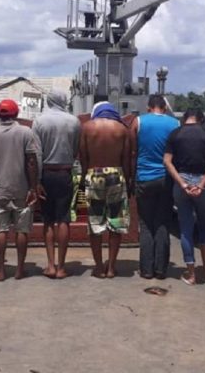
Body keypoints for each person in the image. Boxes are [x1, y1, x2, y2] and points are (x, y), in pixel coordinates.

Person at [164, 108, 205, 285]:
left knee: (186, 228)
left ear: (184, 118)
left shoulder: (175, 134)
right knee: (204, 226)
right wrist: (202, 184)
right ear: (201, 119)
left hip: (182, 181)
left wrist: (182, 183)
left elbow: (167, 161)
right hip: (203, 181)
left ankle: (191, 274)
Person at [0, 99, 40, 281]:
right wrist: (33, 187)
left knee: (0, 231)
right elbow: (31, 161)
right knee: (21, 230)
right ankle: (19, 270)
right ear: (16, 114)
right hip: (21, 188)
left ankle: (1, 271)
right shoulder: (26, 132)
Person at [79, 101, 132, 278]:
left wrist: (84, 179)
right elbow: (126, 159)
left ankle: (99, 267)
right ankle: (111, 267)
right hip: (116, 175)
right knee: (116, 222)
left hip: (94, 175)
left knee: (95, 223)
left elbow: (83, 157)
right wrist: (128, 181)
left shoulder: (87, 127)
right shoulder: (122, 129)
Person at [32, 90, 80, 279]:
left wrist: (37, 181)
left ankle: (51, 265)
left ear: (48, 101)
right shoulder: (74, 121)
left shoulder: (39, 121)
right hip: (65, 172)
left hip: (46, 173)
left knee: (48, 220)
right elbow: (75, 149)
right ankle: (61, 267)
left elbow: (37, 154)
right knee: (64, 219)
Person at [130, 95, 179, 280]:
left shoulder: (138, 122)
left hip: (144, 178)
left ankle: (146, 269)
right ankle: (160, 269)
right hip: (166, 178)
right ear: (164, 108)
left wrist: (131, 178)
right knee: (162, 222)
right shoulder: (175, 124)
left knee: (145, 223)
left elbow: (132, 152)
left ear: (149, 107)